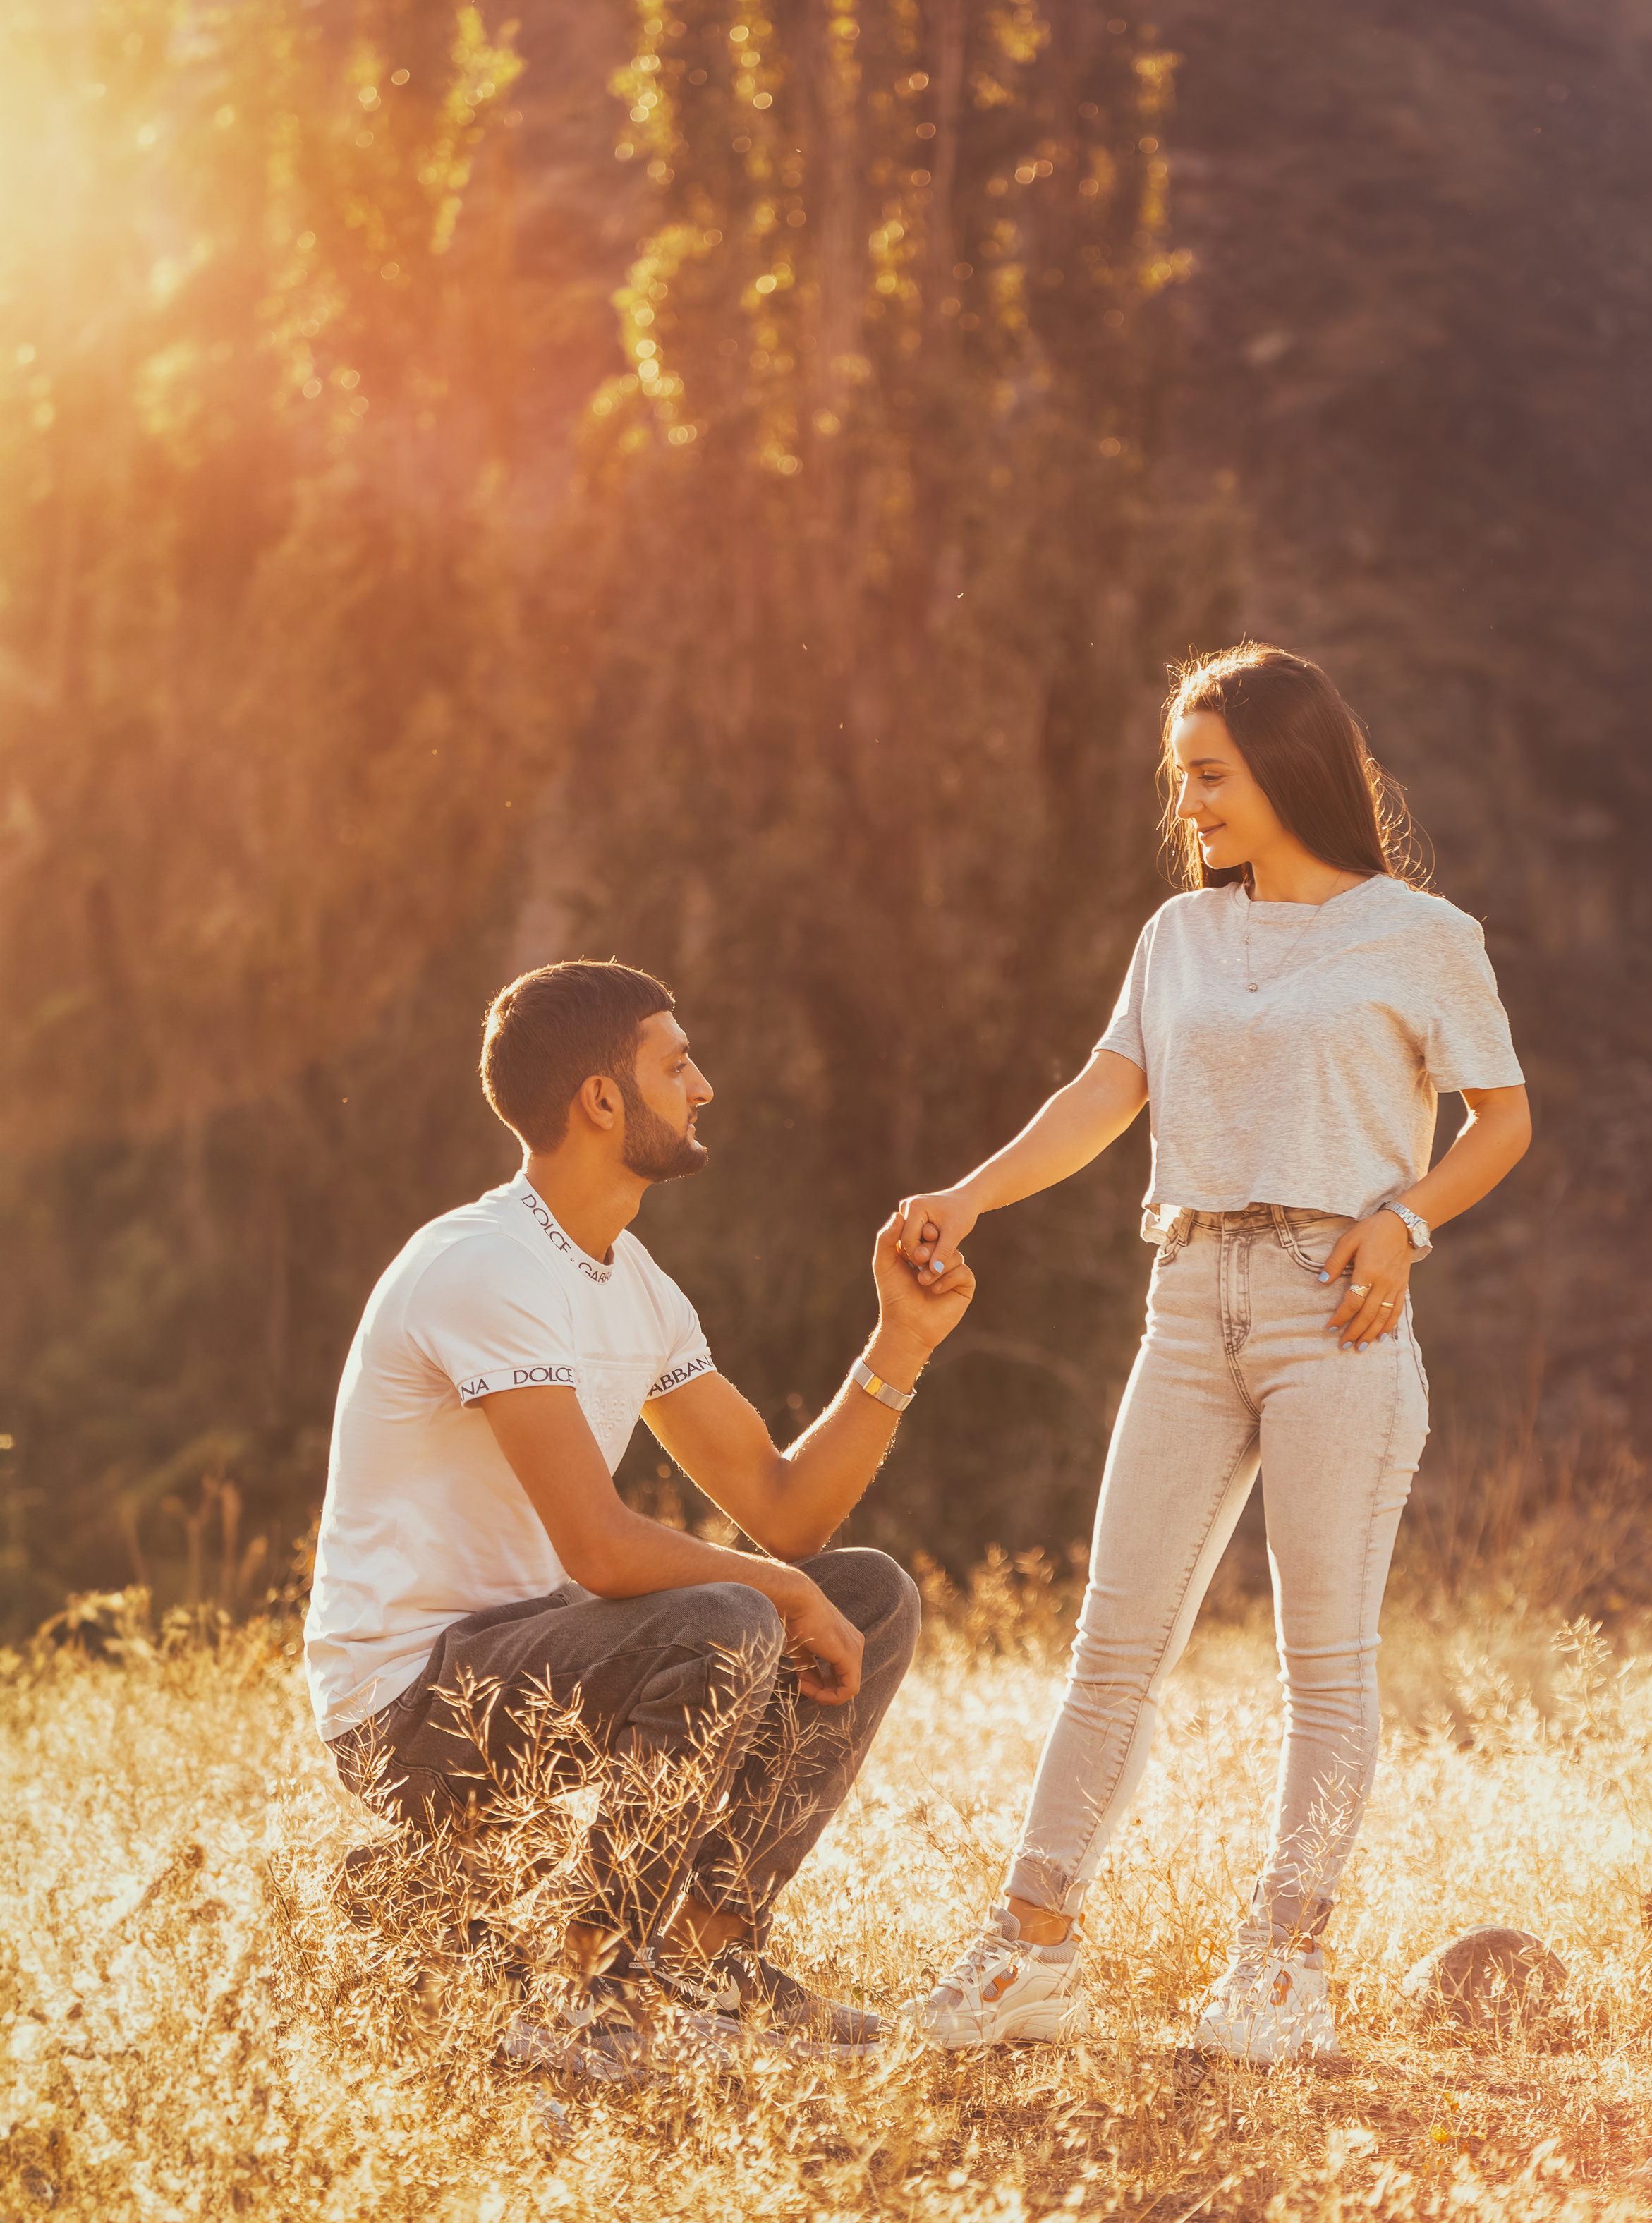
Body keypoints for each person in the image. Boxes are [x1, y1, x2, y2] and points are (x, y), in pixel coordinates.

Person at [896, 645, 1531, 2064]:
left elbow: (1502, 1119)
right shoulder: (1179, 935)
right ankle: (1031, 1949)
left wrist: (1405, 1222)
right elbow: (1104, 1091)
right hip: (1186, 1297)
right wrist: (969, 1195)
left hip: (1334, 1307)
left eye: (1209, 775)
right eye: (1180, 777)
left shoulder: (1420, 935)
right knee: (1112, 1646)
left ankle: (1280, 1968)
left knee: (1324, 1661)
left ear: (1289, 766)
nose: (1186, 803)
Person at [303, 959, 975, 2076]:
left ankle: (704, 1963)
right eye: (678, 1065)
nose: (704, 1087)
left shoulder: (635, 1285)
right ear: (602, 1100)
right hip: (407, 1702)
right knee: (732, 1617)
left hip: (533, 1653)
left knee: (870, 1595)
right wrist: (780, 1594)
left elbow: (786, 1512)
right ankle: (585, 1992)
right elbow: (601, 1546)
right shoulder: (483, 1266)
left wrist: (900, 1340)